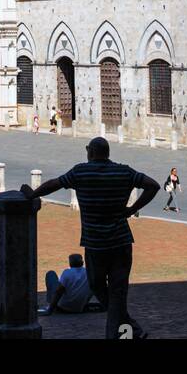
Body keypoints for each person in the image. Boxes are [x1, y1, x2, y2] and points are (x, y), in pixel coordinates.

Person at [21, 135, 159, 340]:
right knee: (118, 292)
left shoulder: (81, 172)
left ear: (91, 152)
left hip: (95, 244)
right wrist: (132, 209)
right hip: (121, 241)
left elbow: (54, 184)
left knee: (98, 285)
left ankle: (122, 335)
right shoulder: (124, 171)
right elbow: (153, 185)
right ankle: (132, 331)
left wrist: (33, 195)